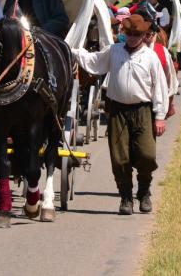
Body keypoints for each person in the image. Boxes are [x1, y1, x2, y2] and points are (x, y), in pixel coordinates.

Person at [71, 14, 170, 215]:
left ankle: (144, 191)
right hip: (118, 111)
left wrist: (160, 116)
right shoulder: (114, 51)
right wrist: (72, 51)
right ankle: (126, 198)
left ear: (144, 35)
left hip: (143, 110)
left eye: (137, 34)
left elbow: (159, 87)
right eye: (129, 33)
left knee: (147, 155)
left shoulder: (150, 57)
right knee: (119, 158)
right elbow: (94, 61)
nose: (132, 38)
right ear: (125, 33)